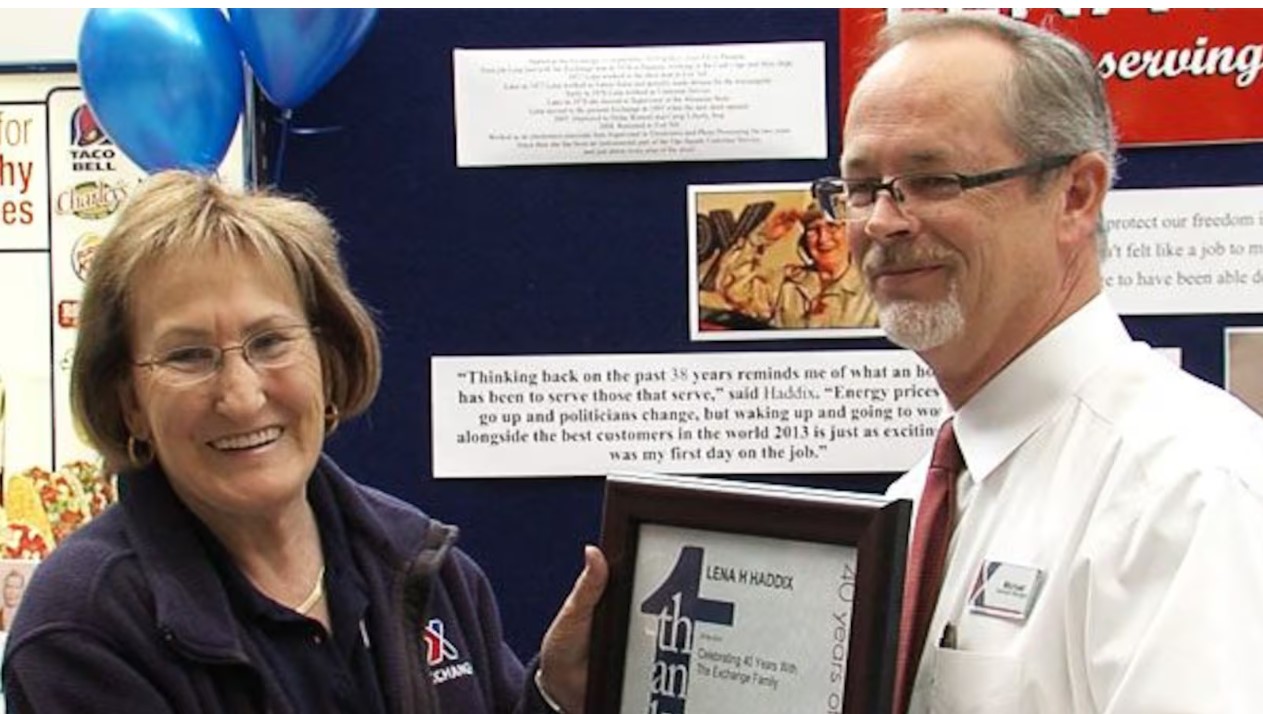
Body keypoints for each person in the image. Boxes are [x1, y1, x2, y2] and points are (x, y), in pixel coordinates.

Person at [1, 171, 607, 713]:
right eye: (188, 356)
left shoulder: (423, 567)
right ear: (129, 402)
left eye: (269, 342)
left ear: (328, 357)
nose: (240, 395)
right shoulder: (84, 632)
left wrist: (556, 697)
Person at [817, 12, 1263, 714]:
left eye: (934, 181)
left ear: (1075, 195)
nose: (881, 222)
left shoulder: (1184, 489)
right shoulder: (914, 503)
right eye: (862, 186)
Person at [770, 205, 878, 329]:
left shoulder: (874, 292)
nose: (823, 238)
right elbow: (744, 303)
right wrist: (760, 239)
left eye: (832, 226)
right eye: (813, 229)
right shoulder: (786, 283)